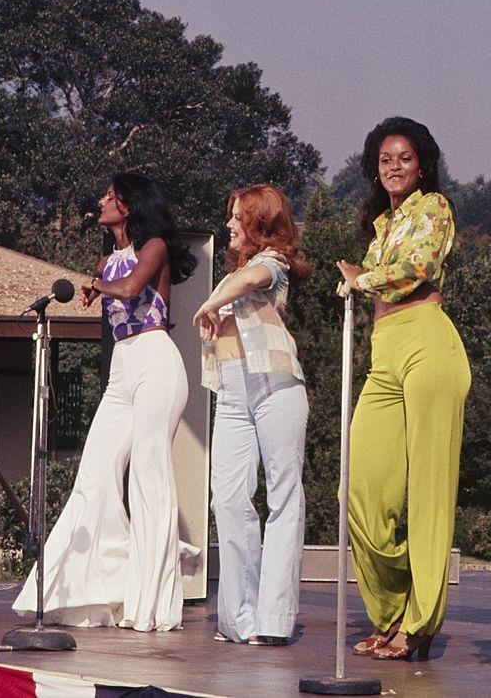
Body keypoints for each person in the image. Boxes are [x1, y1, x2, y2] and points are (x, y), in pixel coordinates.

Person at [12, 172, 198, 632]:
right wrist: (96, 282)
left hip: (156, 359)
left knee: (149, 475)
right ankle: (95, 589)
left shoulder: (151, 245)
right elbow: (112, 288)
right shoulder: (104, 259)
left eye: (109, 196)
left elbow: (133, 288)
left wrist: (99, 287)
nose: (101, 201)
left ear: (128, 205)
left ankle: (151, 603)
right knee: (95, 471)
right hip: (123, 367)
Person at [336, 116, 471, 661]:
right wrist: (357, 278)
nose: (394, 166)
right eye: (385, 159)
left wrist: (359, 279)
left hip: (428, 345)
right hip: (385, 351)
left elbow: (418, 268)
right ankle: (392, 610)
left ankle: (417, 625)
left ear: (422, 165)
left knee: (429, 494)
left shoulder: (434, 208)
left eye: (405, 158)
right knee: (362, 492)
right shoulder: (380, 226)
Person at [192, 184, 310, 646]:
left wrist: (211, 302)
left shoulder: (271, 264)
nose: (228, 226)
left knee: (284, 497)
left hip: (276, 387)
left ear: (259, 224)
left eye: (238, 218)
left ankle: (274, 620)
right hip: (234, 394)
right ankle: (239, 617)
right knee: (228, 498)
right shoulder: (234, 274)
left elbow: (254, 279)